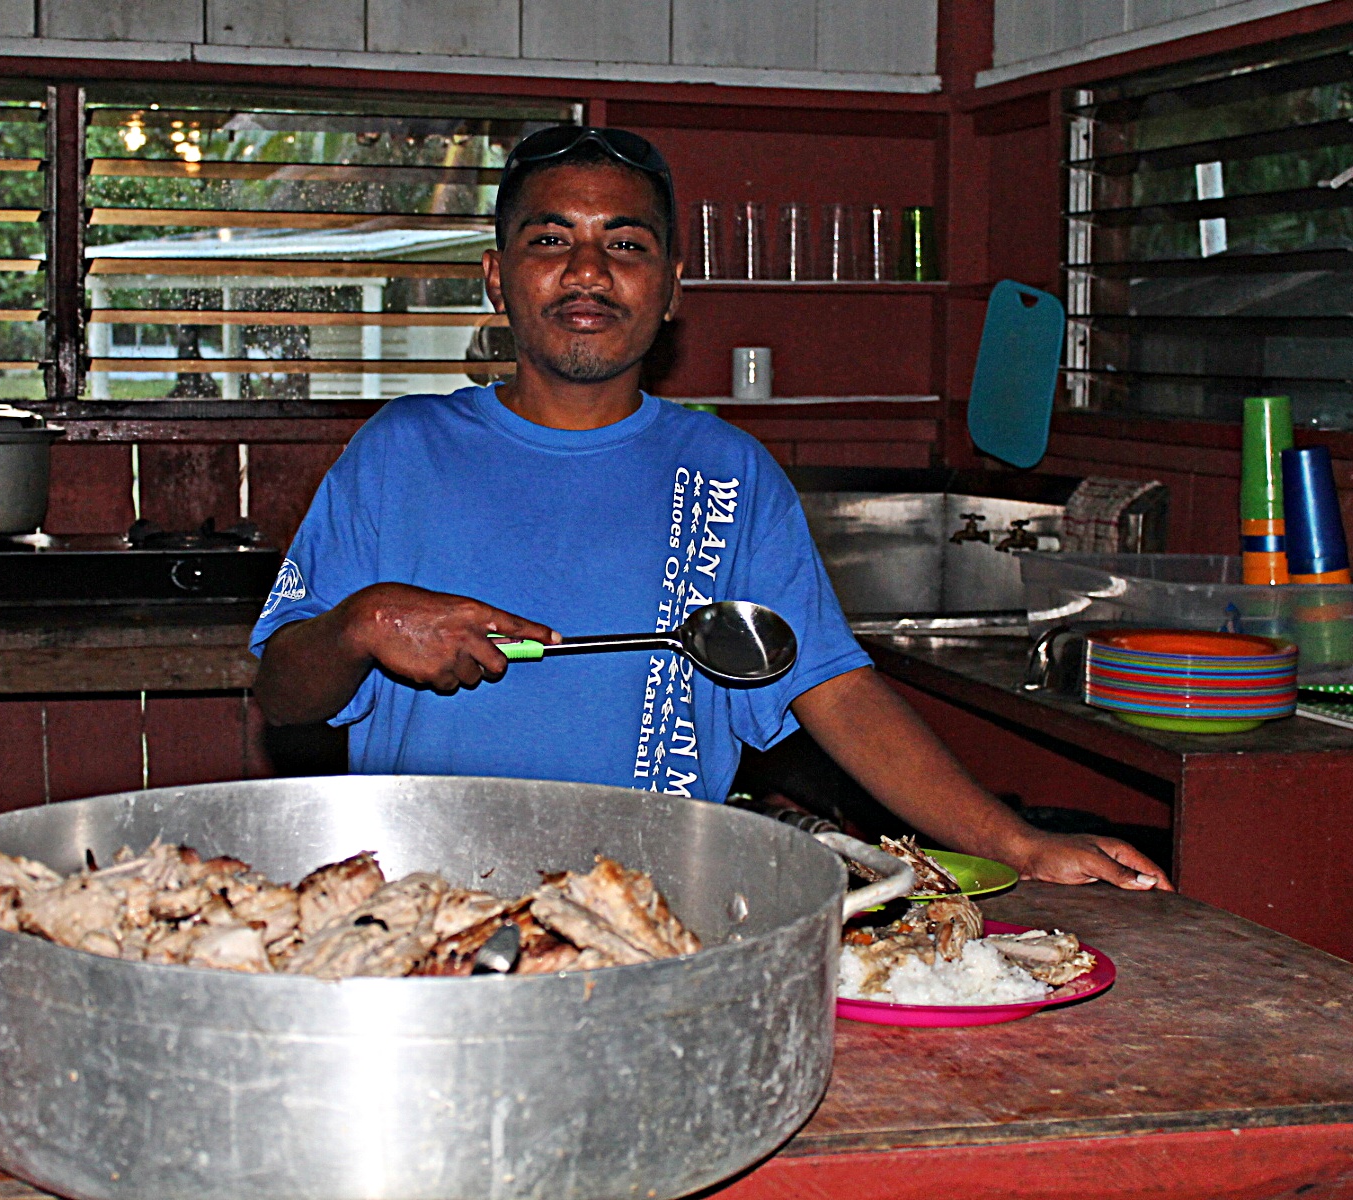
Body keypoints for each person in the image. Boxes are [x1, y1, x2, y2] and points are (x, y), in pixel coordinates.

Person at [251, 125, 1170, 892]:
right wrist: (362, 625)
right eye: (548, 240)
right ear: (496, 277)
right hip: (426, 892)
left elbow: (831, 687)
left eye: (623, 243)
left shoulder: (727, 471)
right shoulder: (398, 451)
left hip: (659, 900)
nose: (585, 270)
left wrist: (1014, 842)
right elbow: (282, 694)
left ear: (671, 285)